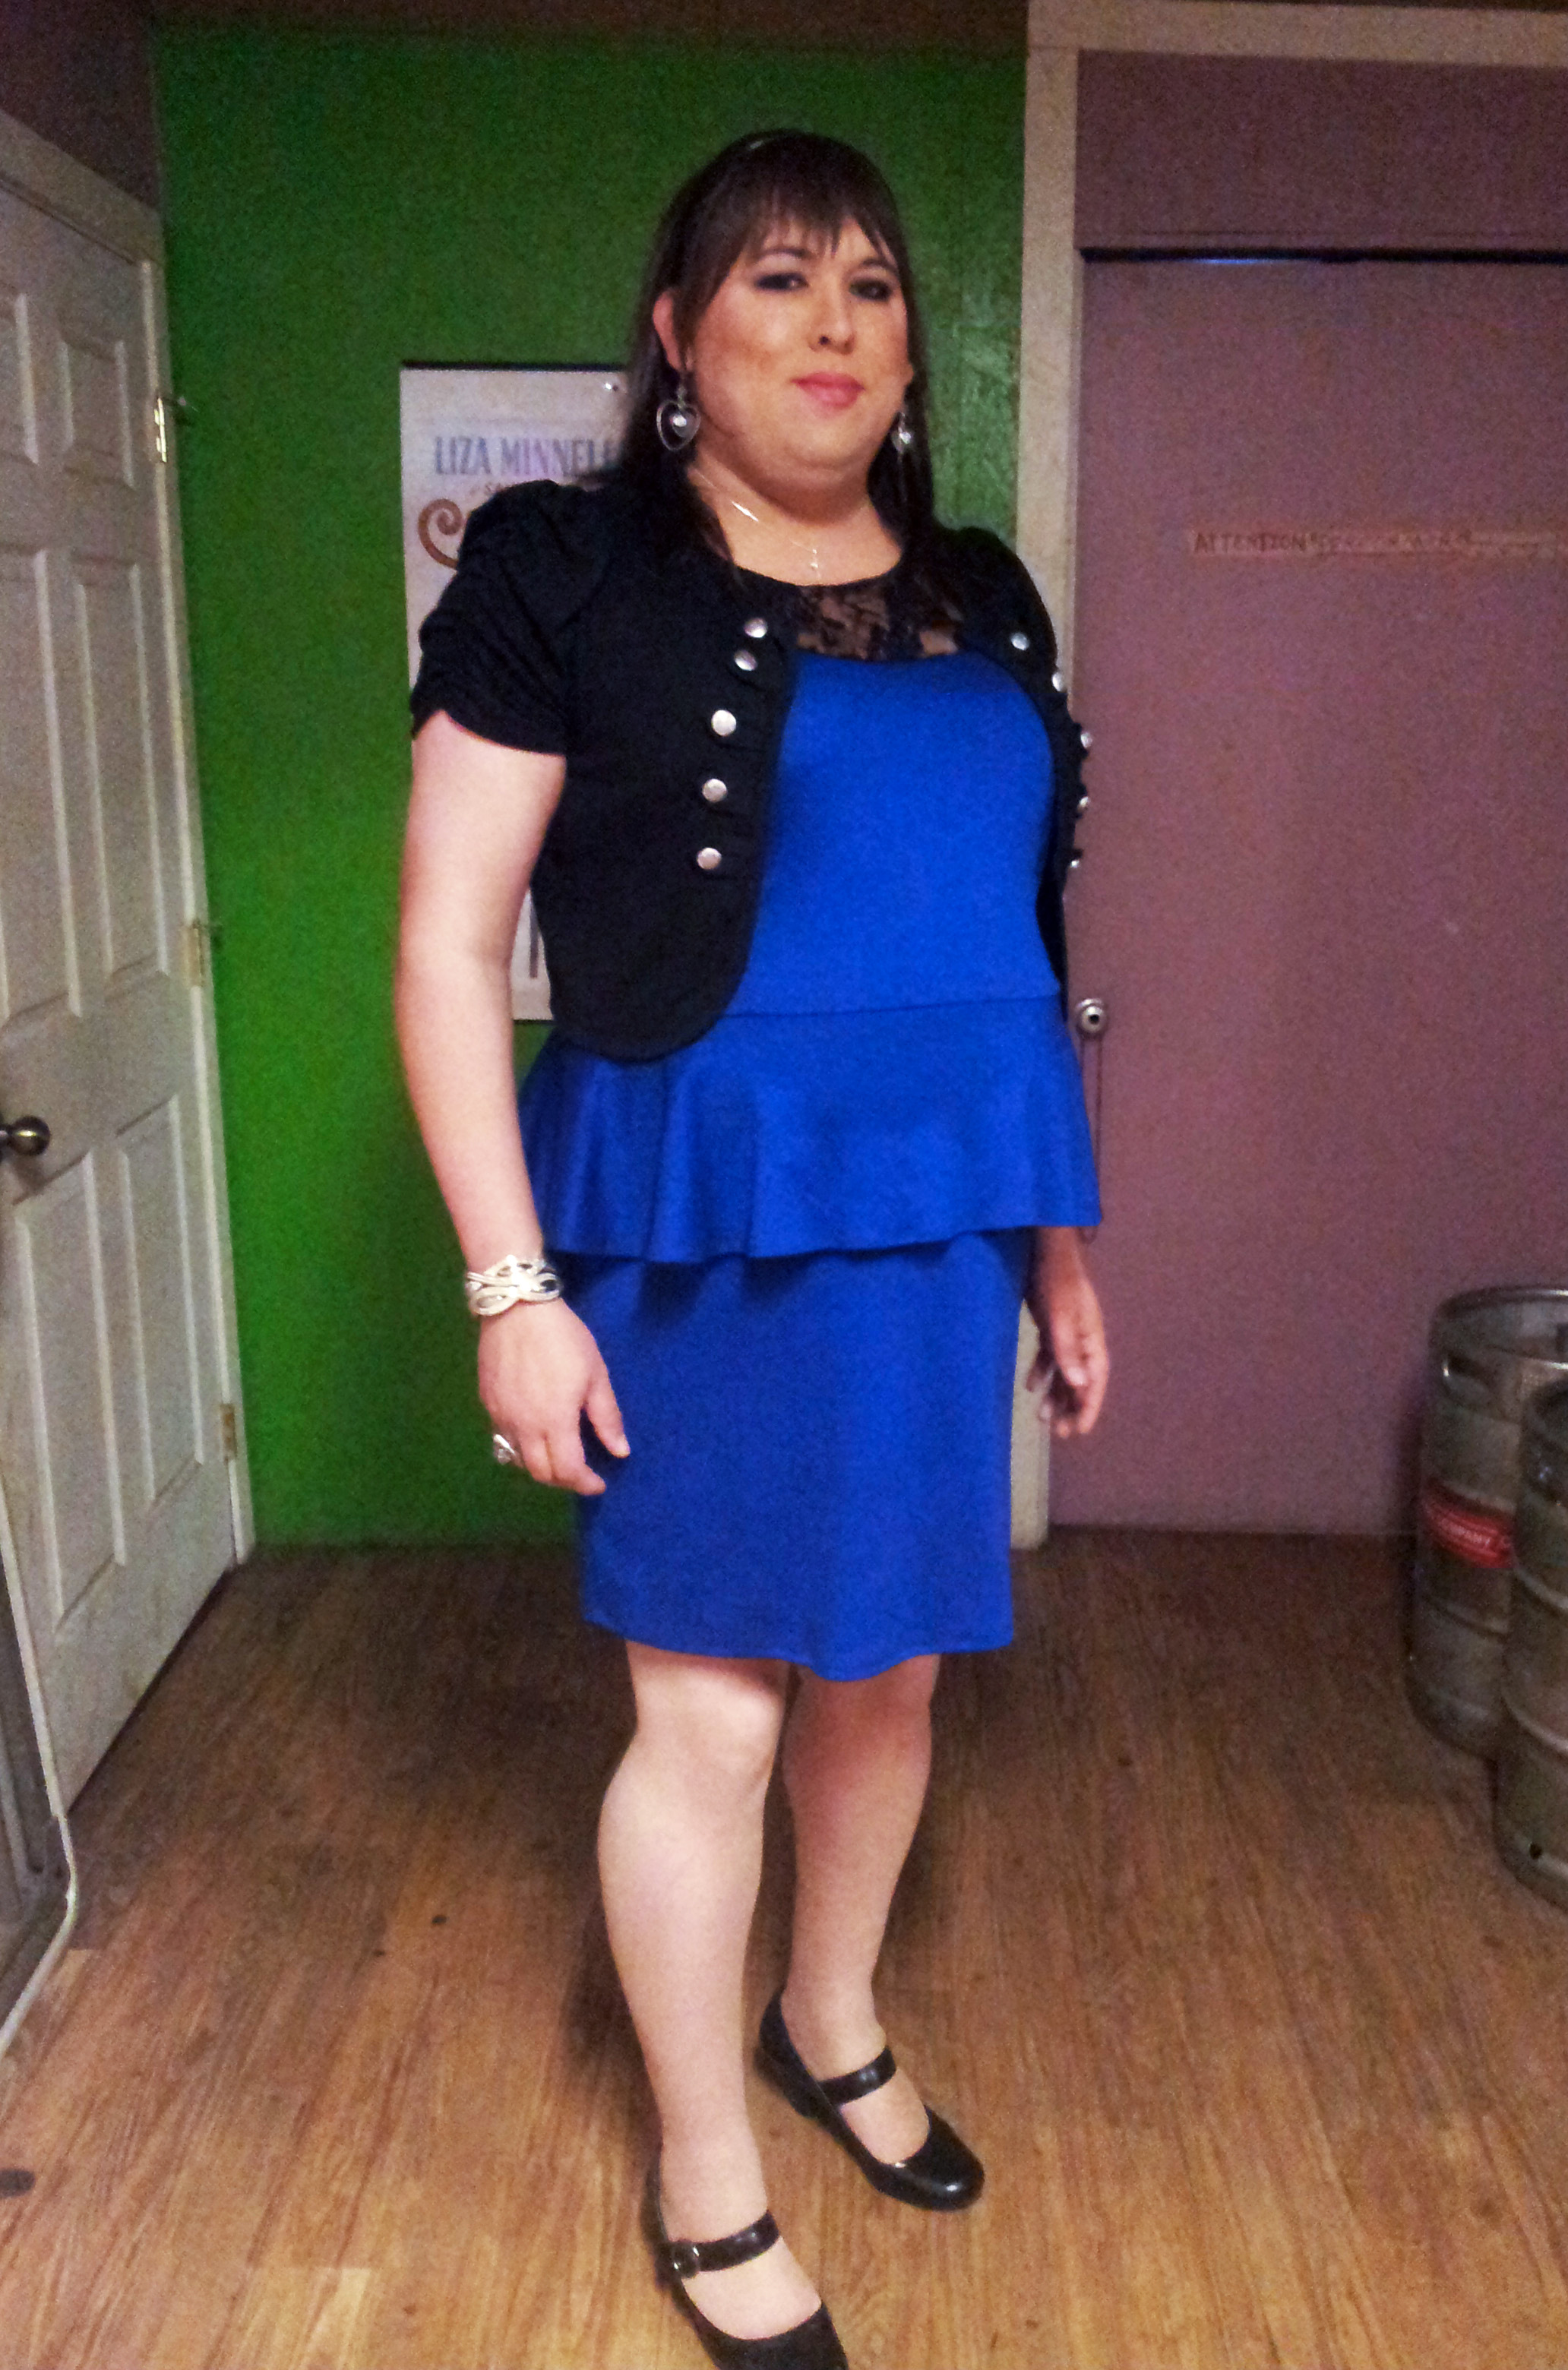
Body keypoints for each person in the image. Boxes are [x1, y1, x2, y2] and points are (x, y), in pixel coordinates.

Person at [397, 128, 1108, 2370]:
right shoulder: (565, 569)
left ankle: (833, 2018)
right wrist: (512, 1288)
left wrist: (1062, 1246)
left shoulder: (984, 589)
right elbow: (446, 948)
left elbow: (1014, 945)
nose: (835, 324)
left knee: (891, 1672)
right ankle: (708, 2176)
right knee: (707, 1711)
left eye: (873, 287)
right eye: (780, 279)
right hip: (698, 1221)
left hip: (938, 1226)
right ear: (677, 333)